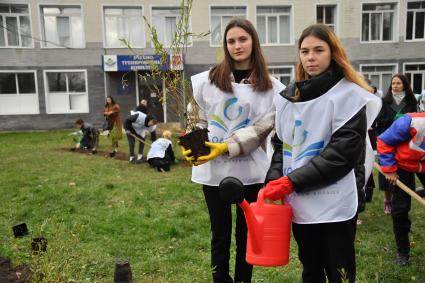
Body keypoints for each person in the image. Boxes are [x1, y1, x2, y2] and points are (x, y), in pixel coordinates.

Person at [262, 24, 381, 283]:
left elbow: (342, 153)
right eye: (305, 51)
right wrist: (274, 177)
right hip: (301, 201)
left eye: (318, 50)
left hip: (334, 200)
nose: (310, 57)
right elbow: (283, 143)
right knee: (310, 268)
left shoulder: (349, 95)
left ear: (333, 53)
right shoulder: (289, 97)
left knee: (337, 270)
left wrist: (291, 181)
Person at [181, 18, 285, 283]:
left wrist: (226, 147)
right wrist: (192, 143)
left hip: (250, 172)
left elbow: (262, 128)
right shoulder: (207, 81)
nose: (237, 46)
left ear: (253, 42)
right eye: (231, 41)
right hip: (213, 170)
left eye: (242, 39)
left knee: (246, 233)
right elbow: (197, 118)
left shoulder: (272, 88)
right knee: (220, 233)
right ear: (225, 45)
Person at [377, 112, 425, 266]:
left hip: (423, 165)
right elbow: (384, 141)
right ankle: (403, 252)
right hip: (401, 165)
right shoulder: (411, 122)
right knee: (400, 209)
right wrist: (390, 169)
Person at [376, 75, 418, 214]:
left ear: (404, 85)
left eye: (398, 83)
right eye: (393, 83)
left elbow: (415, 119)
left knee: (403, 169)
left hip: (404, 141)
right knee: (387, 171)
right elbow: (379, 120)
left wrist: (405, 123)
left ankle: (400, 199)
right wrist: (396, 121)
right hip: (388, 139)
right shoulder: (384, 101)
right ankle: (387, 199)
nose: (395, 85)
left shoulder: (411, 100)